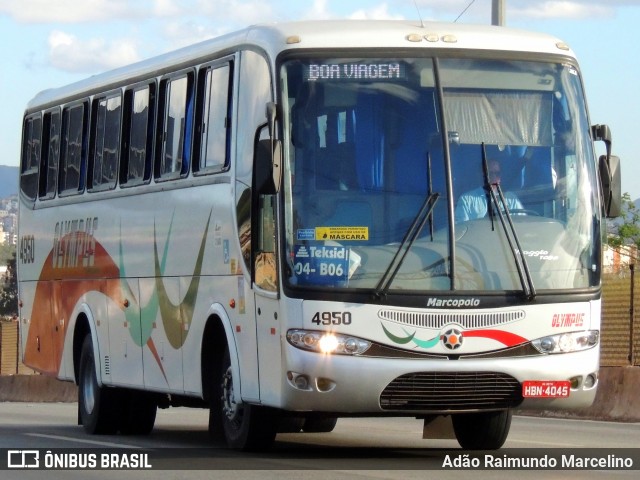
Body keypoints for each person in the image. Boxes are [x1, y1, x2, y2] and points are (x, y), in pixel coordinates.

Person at [455, 159, 523, 222]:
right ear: (482, 175)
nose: (494, 177)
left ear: (501, 176)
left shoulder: (511, 198)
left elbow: (522, 223)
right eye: (490, 174)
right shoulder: (467, 200)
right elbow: (461, 229)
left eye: (497, 174)